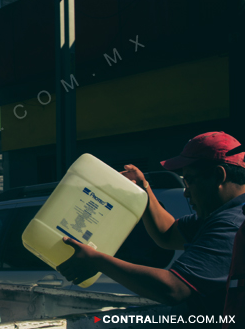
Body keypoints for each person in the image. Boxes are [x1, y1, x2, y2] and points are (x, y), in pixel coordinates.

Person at [57, 132, 245, 318]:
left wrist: (96, 260)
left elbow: (173, 288)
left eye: (189, 181)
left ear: (219, 176)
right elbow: (168, 233)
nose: (186, 193)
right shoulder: (215, 216)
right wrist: (143, 189)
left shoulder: (233, 224)